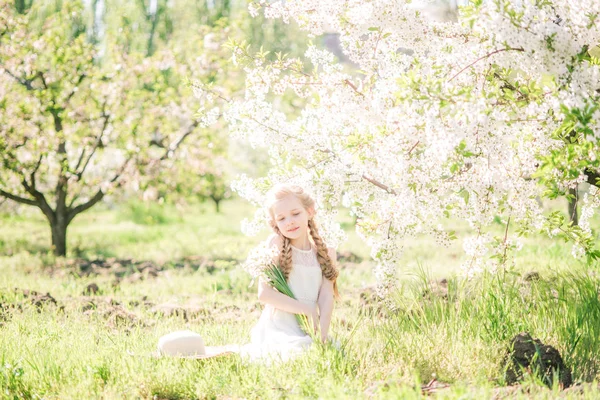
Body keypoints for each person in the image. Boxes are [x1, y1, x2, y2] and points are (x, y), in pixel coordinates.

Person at [157, 184, 340, 363]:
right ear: (275, 223)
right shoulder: (276, 244)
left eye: (295, 214)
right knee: (295, 353)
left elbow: (326, 296)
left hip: (310, 327)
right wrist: (306, 310)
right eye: (281, 218)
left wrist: (322, 335)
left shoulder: (326, 251)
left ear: (309, 211)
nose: (289, 221)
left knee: (325, 351)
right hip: (280, 325)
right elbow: (265, 294)